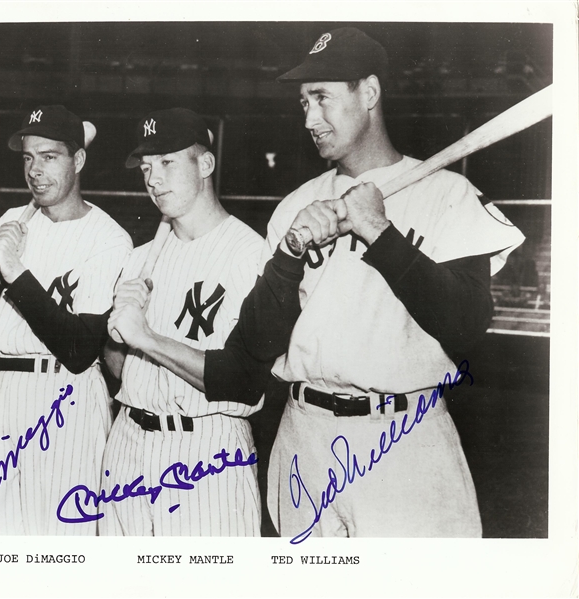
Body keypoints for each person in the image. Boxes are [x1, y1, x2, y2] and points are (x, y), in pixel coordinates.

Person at [205, 27, 525, 539]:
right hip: (304, 435)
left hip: (405, 439)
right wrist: (290, 255)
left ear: (369, 93)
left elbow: (466, 325)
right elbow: (254, 348)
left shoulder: (448, 193)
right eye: (303, 103)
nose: (310, 118)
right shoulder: (296, 206)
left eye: (322, 98)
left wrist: (378, 230)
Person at [0, 105, 132, 535]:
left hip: (66, 400)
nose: (35, 170)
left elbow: (79, 348)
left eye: (49, 156)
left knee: (63, 540)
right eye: (28, 158)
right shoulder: (12, 219)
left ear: (78, 161)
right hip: (0, 392)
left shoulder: (108, 238)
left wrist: (13, 270)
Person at [99, 108, 264, 536]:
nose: (153, 179)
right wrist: (118, 334)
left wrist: (146, 338)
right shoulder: (139, 259)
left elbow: (239, 378)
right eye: (147, 167)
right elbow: (118, 369)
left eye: (167, 162)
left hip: (207, 449)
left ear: (205, 164)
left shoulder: (250, 255)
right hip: (128, 439)